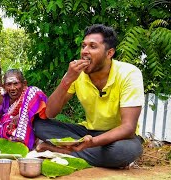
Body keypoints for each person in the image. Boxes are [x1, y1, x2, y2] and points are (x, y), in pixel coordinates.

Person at [34, 24, 145, 168]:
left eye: (92, 46)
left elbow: (128, 128)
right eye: (83, 46)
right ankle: (86, 153)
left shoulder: (129, 74)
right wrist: (67, 80)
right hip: (88, 132)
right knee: (38, 124)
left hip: (119, 137)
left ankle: (58, 150)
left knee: (123, 152)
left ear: (109, 53)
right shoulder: (76, 74)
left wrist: (91, 143)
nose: (85, 51)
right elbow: (50, 113)